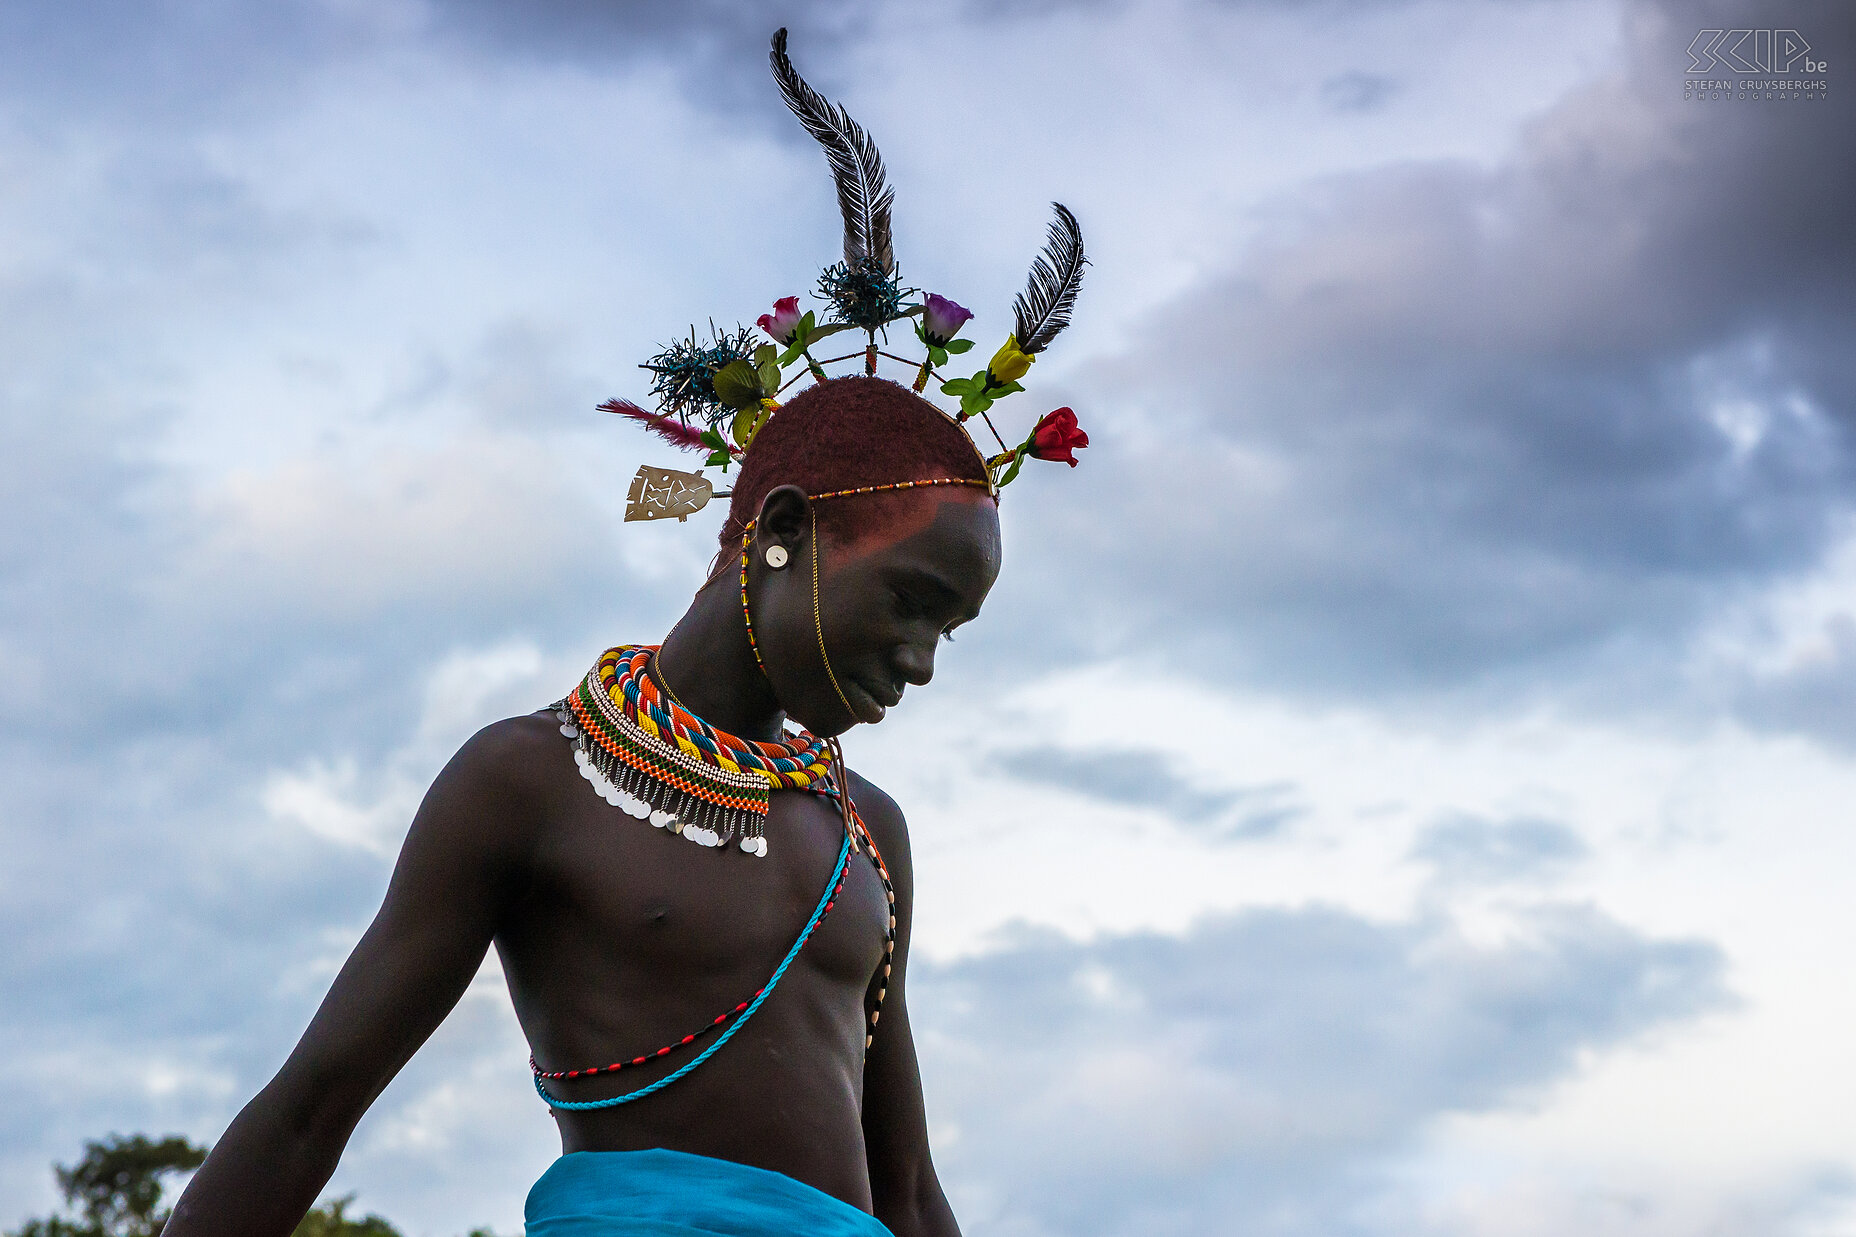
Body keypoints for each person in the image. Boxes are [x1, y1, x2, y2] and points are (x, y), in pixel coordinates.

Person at [164, 30, 1086, 1237]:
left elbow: (905, 1190)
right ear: (784, 529)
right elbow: (308, 1112)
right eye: (912, 599)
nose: (918, 658)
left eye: (950, 632)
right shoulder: (528, 781)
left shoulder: (868, 833)